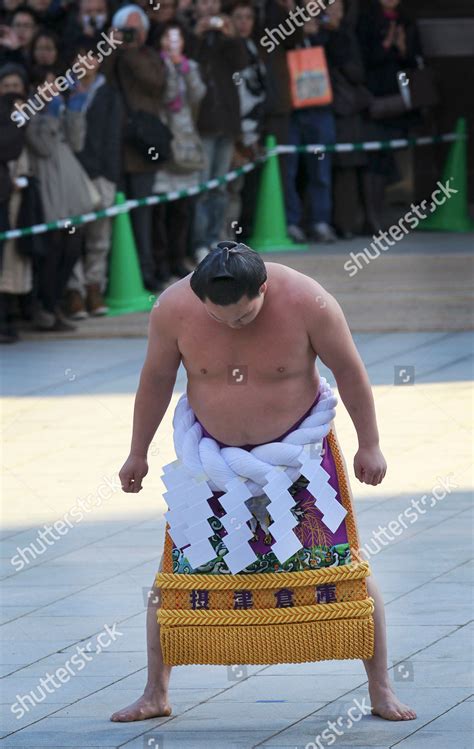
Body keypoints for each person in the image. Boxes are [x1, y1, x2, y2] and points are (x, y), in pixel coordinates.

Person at [111, 241, 417, 724]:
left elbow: (350, 371)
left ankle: (380, 689)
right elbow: (154, 379)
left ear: (264, 288)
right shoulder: (174, 309)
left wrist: (370, 443)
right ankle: (156, 692)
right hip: (208, 461)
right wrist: (136, 452)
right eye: (220, 318)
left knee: (346, 564)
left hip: (302, 456)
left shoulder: (308, 301)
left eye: (244, 316)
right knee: (172, 576)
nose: (232, 326)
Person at [103, 3, 166, 292]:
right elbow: (98, 78)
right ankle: (110, 276)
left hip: (142, 148)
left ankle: (145, 270)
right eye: (125, 30)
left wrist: (129, 51)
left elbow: (156, 82)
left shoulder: (149, 56)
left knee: (143, 216)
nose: (131, 35)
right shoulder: (110, 55)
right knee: (111, 215)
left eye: (135, 29)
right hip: (112, 147)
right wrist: (110, 47)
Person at [186, 0, 249, 262]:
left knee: (221, 186)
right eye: (203, 2)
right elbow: (187, 63)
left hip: (227, 122)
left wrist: (231, 36)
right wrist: (196, 35)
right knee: (202, 186)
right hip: (203, 123)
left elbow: (242, 64)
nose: (210, 8)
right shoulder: (187, 33)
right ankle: (200, 242)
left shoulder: (226, 36)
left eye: (213, 2)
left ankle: (216, 237)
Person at [63, 40, 122, 319]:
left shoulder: (109, 93)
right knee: (75, 234)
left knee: (99, 235)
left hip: (102, 175)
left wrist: (107, 173)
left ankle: (94, 286)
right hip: (71, 175)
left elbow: (114, 138)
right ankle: (74, 291)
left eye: (91, 57)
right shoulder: (64, 93)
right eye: (79, 57)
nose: (85, 62)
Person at [151, 21, 206, 282]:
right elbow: (164, 96)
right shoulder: (156, 65)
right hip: (162, 142)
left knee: (183, 207)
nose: (171, 44)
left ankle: (179, 257)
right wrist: (170, 71)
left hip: (185, 141)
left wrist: (184, 70)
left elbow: (197, 96)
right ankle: (160, 262)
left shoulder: (189, 66)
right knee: (161, 208)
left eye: (177, 39)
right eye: (167, 38)